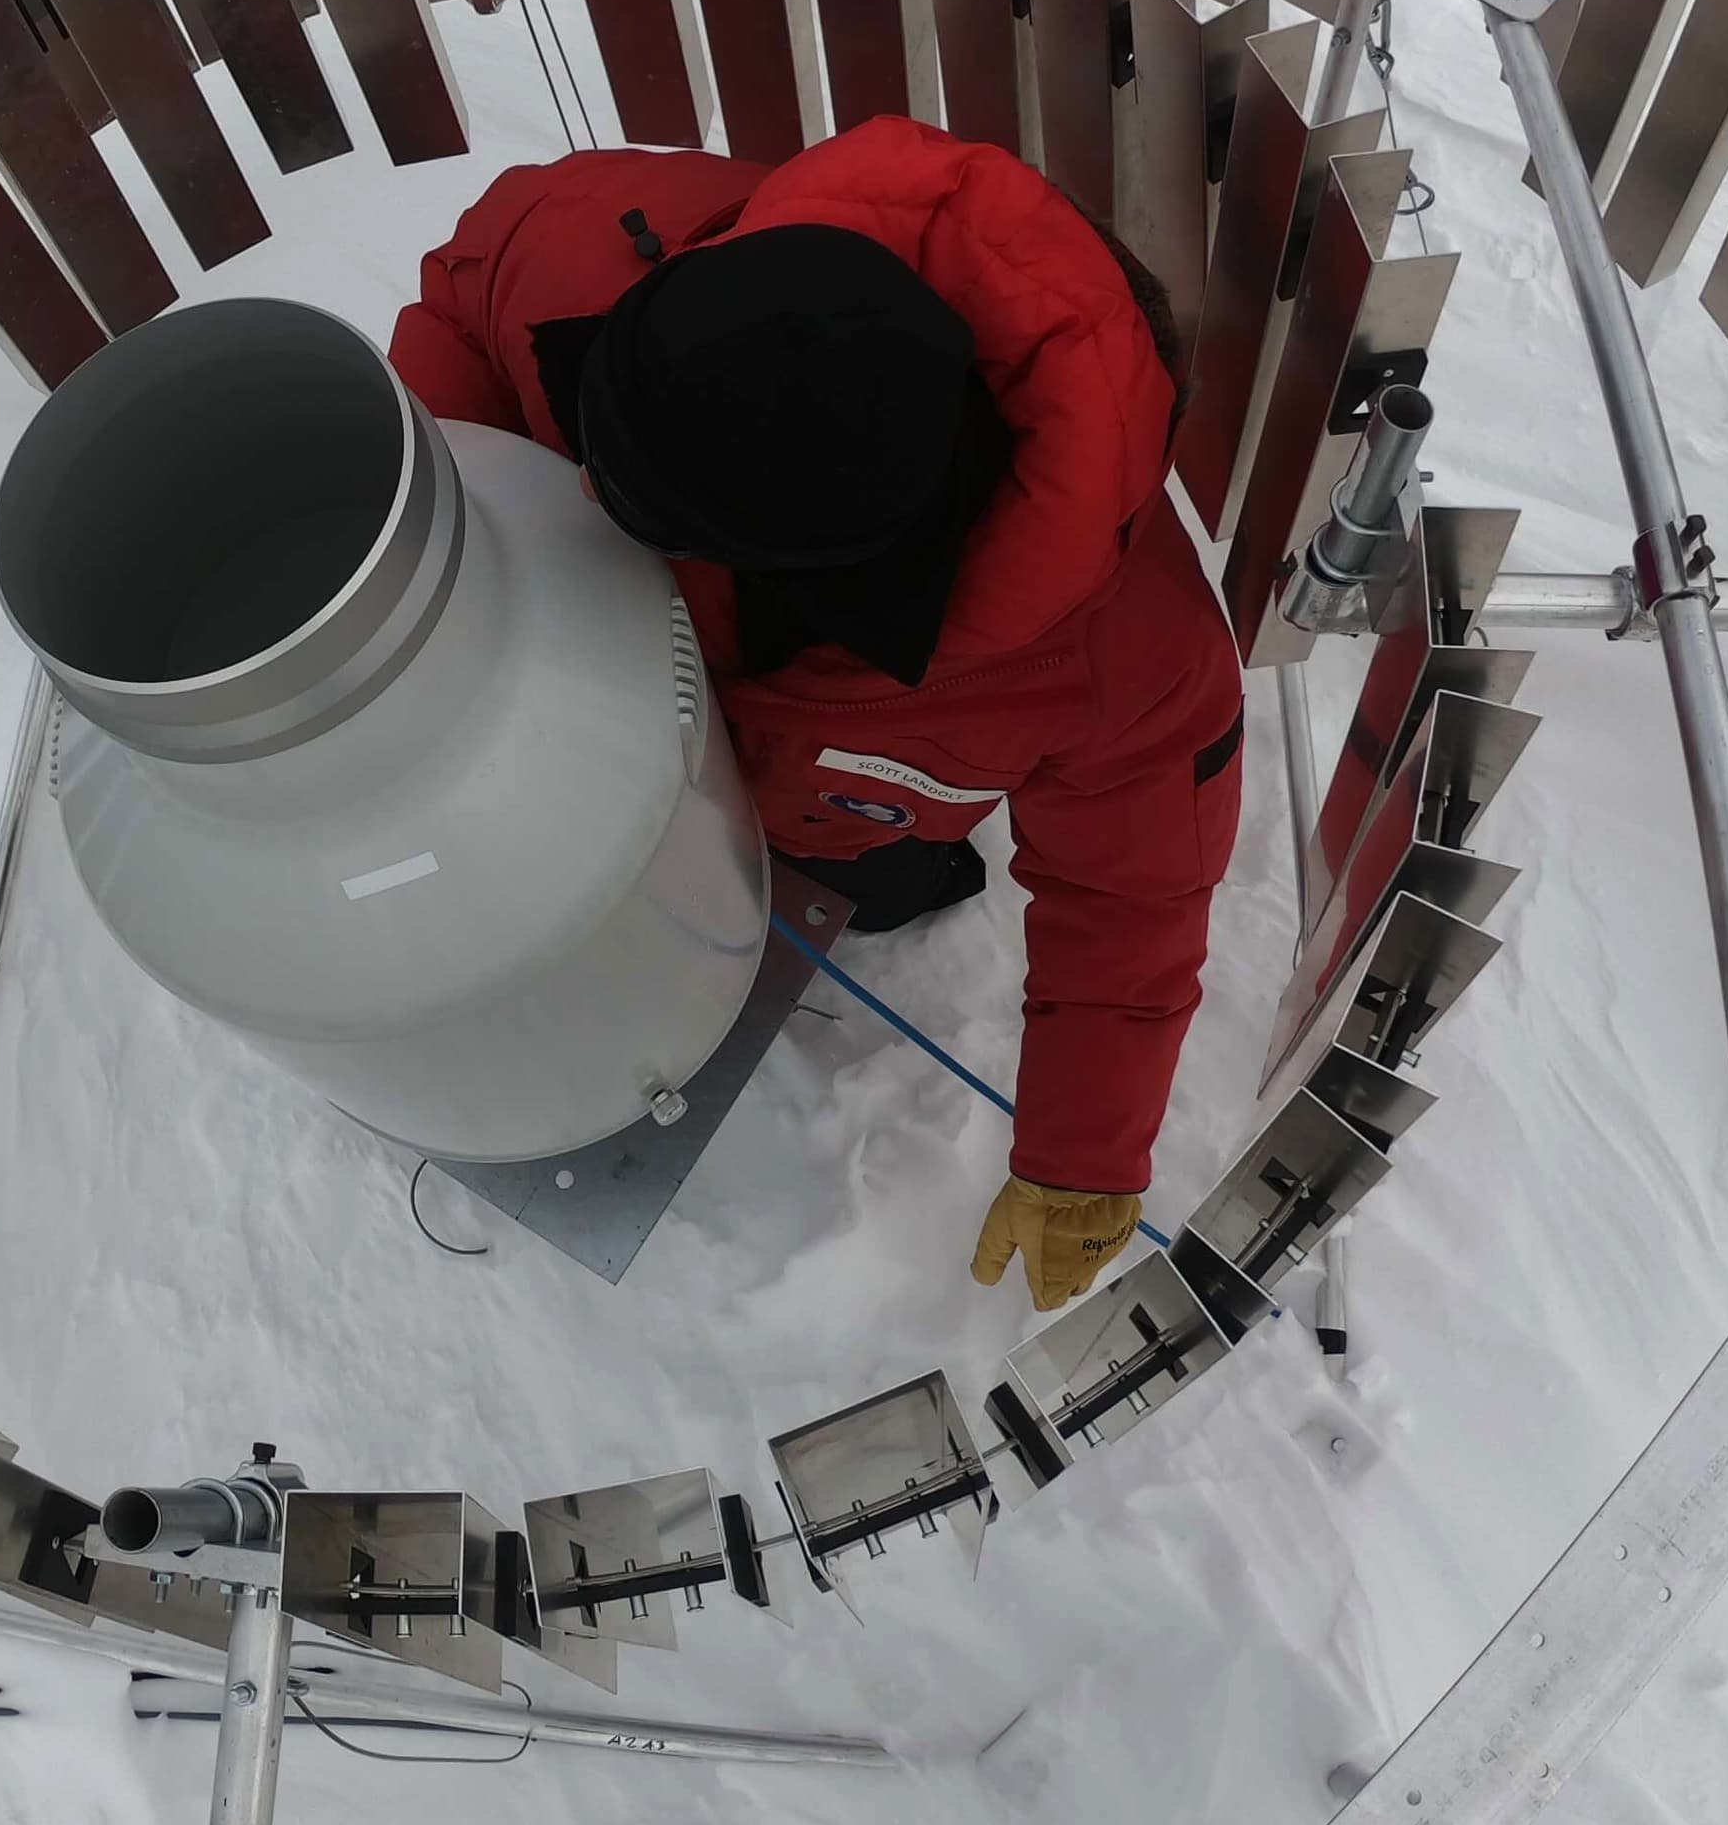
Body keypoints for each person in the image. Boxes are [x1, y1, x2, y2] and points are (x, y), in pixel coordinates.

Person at [390, 115, 1246, 1314]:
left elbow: (1133, 901)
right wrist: (452, 570)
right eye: (590, 438)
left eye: (634, 511)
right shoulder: (597, 246)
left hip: (837, 817)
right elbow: (465, 304)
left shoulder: (1129, 659)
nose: (579, 489)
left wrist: (1084, 1154)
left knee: (870, 892)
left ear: (832, 583)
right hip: (603, 742)